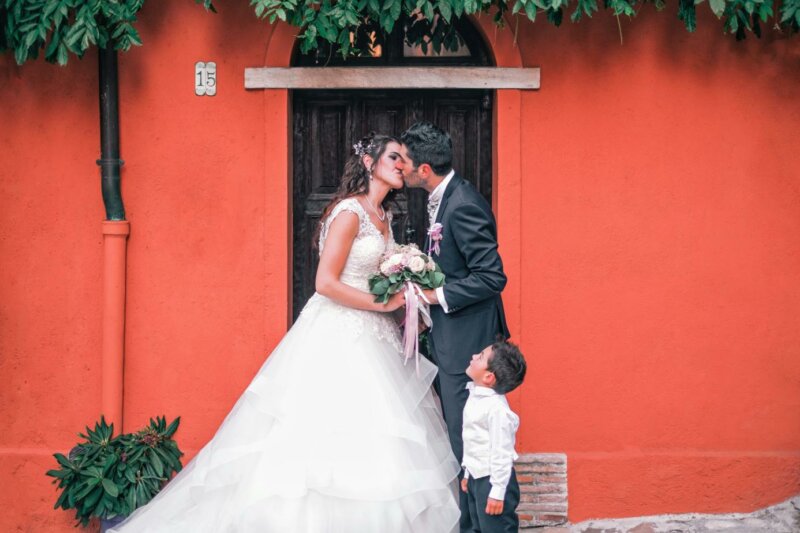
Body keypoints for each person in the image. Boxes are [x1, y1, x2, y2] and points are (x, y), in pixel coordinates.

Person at [109, 132, 461, 532]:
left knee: (377, 441)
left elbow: (372, 275)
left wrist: (400, 285)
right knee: (323, 432)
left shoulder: (385, 217)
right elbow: (325, 283)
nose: (402, 165)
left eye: (405, 159)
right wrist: (386, 303)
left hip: (376, 334)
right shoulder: (350, 213)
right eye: (394, 157)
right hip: (339, 335)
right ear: (369, 163)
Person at [400, 121, 510, 532]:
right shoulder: (440, 198)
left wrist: (434, 296)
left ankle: (484, 525)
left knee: (474, 441)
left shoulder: (463, 203)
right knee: (464, 439)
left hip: (470, 342)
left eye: (406, 162)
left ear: (424, 169)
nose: (402, 169)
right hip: (451, 337)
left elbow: (491, 276)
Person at [460, 340, 526, 533]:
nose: (473, 357)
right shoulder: (475, 396)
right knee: (477, 528)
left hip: (493, 481)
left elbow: (501, 453)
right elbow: (472, 440)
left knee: (496, 528)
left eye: (480, 357)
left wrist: (497, 492)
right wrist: (467, 473)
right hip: (477, 477)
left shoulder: (497, 410)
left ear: (489, 377)